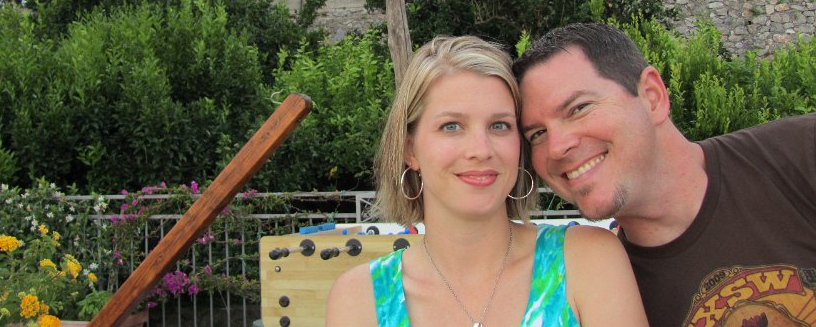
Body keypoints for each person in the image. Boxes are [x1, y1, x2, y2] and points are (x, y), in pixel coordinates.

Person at [326, 35, 648, 327]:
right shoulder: (360, 299)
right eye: (452, 126)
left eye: (499, 126)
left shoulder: (585, 262)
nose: (481, 150)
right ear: (410, 149)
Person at [513, 23, 816, 327]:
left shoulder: (800, 154)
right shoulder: (598, 294)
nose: (556, 148)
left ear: (652, 96)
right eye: (537, 133)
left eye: (579, 108)